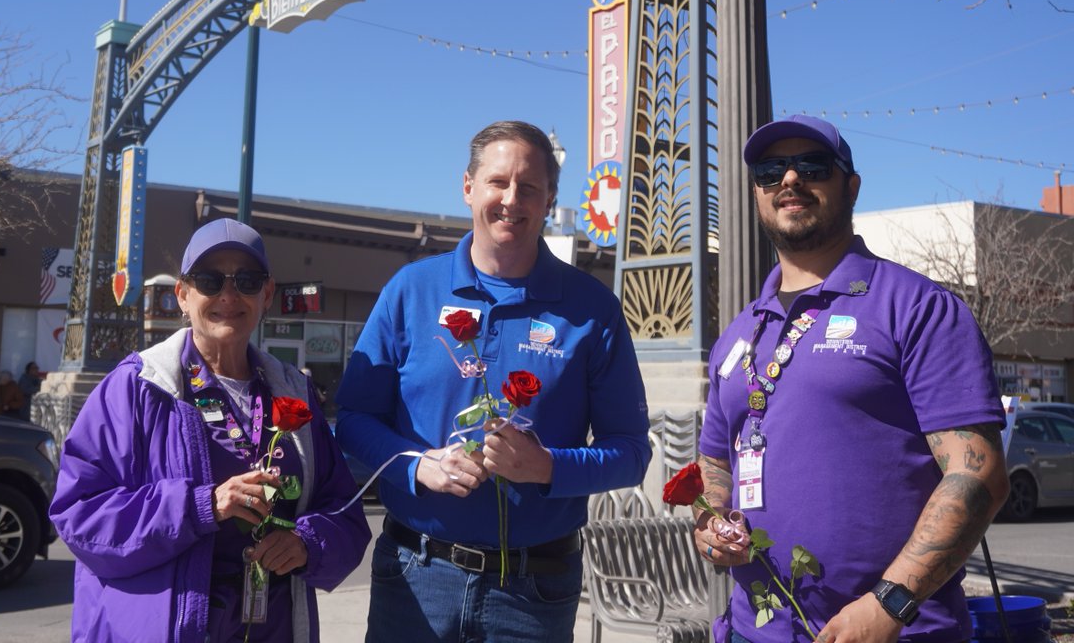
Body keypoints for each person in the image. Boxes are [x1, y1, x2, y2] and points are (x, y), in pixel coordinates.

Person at [695, 115, 1008, 643]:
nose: (789, 181)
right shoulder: (738, 333)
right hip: (756, 630)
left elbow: (978, 476)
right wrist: (711, 521)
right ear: (757, 194)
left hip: (895, 632)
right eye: (771, 172)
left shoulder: (918, 308)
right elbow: (714, 460)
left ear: (851, 185)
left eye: (812, 166)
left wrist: (889, 606)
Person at [335, 120, 651, 642]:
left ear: (549, 198)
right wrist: (417, 466)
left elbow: (632, 454)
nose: (511, 199)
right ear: (468, 187)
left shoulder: (593, 310)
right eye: (497, 182)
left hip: (534, 593)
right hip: (415, 576)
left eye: (529, 187)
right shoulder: (411, 290)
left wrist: (548, 466)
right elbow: (352, 420)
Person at [51, 218, 370, 642]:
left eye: (247, 280)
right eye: (210, 280)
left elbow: (345, 511)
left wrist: (307, 543)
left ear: (267, 294)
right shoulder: (136, 388)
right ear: (183, 295)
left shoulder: (294, 392)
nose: (229, 295)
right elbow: (80, 514)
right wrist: (201, 506)